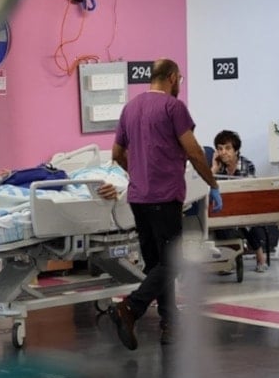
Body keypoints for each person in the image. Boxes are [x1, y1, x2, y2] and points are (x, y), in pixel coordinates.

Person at [99, 58, 221, 350]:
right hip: (164, 198)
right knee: (170, 263)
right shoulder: (173, 107)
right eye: (180, 78)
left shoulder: (130, 108)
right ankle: (130, 308)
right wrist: (213, 185)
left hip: (138, 199)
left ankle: (170, 324)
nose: (180, 84)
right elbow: (193, 151)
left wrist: (137, 173)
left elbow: (117, 152)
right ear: (171, 77)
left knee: (156, 265)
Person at [211, 129, 269, 272]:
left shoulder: (246, 165)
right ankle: (227, 259)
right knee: (218, 222)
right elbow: (206, 186)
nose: (224, 152)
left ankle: (260, 256)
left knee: (247, 220)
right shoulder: (219, 167)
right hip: (225, 208)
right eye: (220, 148)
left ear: (236, 150)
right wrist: (213, 169)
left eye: (228, 148)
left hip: (244, 206)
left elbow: (247, 191)